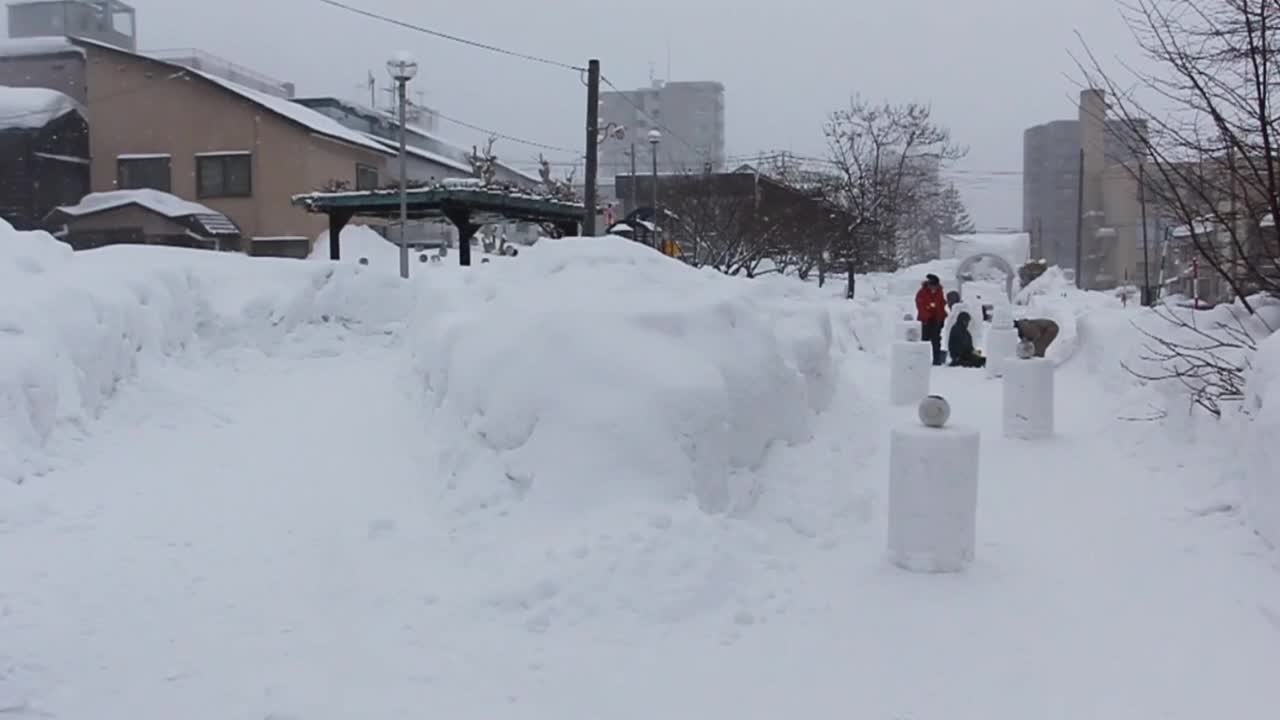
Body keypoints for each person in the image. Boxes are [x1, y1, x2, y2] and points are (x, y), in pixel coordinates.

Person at [915, 273, 948, 365]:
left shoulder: (939, 292)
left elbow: (941, 305)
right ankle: (922, 360)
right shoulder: (922, 293)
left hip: (936, 320)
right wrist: (926, 318)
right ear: (929, 285)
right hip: (925, 320)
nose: (934, 289)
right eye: (932, 286)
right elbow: (920, 306)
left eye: (935, 287)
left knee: (936, 340)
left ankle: (936, 360)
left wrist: (941, 318)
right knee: (924, 340)